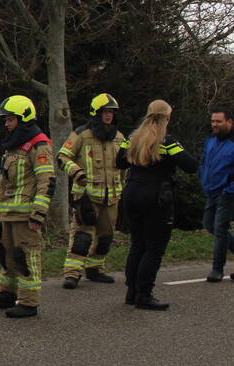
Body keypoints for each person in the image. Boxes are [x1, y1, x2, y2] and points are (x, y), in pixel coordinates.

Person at [116, 100, 197, 310]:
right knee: (154, 247)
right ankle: (144, 294)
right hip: (156, 197)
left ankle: (132, 291)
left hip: (132, 193)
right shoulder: (167, 142)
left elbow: (119, 162)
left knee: (137, 244)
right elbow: (191, 166)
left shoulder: (133, 138)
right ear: (168, 118)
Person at [0, 95, 55, 318]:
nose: (6, 124)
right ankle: (6, 294)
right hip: (7, 214)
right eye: (6, 119)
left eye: (10, 119)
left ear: (24, 118)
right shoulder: (13, 145)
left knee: (25, 257)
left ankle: (29, 302)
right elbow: (6, 180)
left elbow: (46, 181)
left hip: (25, 216)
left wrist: (38, 214)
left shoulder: (39, 145)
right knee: (6, 256)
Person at [56, 93, 126, 288]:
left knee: (106, 237)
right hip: (86, 197)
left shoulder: (119, 138)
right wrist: (77, 173)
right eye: (105, 112)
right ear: (96, 113)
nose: (109, 115)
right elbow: (62, 157)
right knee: (82, 237)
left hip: (111, 198)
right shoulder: (82, 134)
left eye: (112, 112)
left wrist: (123, 189)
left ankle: (95, 269)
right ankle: (72, 274)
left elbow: (123, 168)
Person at [200, 109, 234, 282]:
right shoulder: (211, 141)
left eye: (218, 121)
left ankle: (217, 269)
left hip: (227, 193)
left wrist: (229, 189)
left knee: (220, 228)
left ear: (229, 122)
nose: (214, 124)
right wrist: (203, 180)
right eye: (213, 121)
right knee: (209, 224)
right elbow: (204, 162)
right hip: (211, 191)